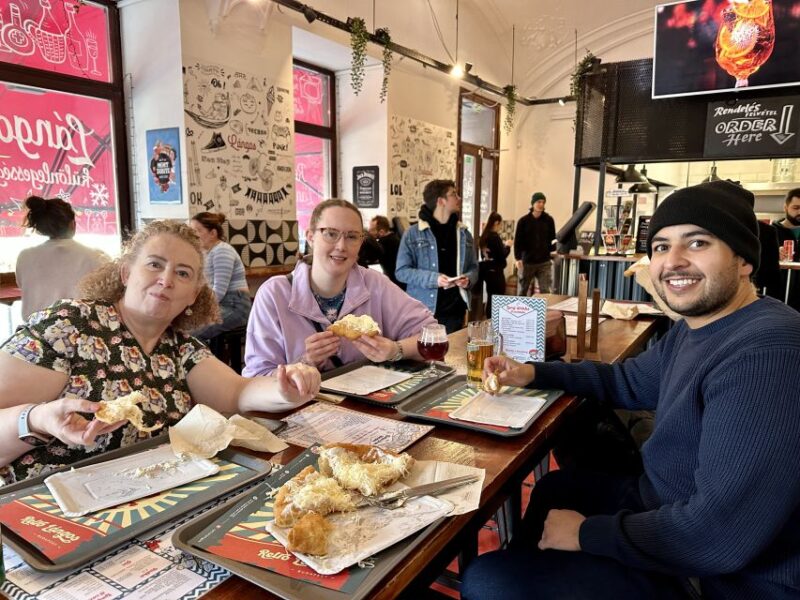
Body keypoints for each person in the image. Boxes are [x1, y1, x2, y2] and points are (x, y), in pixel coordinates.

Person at [462, 180, 800, 600]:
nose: (673, 261)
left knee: (487, 582)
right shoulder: (698, 328)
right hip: (663, 503)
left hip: (722, 579)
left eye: (696, 243)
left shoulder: (768, 349)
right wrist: (532, 373)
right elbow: (624, 381)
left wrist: (587, 535)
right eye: (660, 246)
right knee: (554, 489)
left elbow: (720, 535)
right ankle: (538, 565)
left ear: (744, 260)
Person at [0, 221, 319, 486]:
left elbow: (238, 393)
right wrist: (37, 419)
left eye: (182, 273)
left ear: (193, 294)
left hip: (145, 499)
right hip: (47, 505)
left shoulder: (180, 348)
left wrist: (285, 387)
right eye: (155, 264)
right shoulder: (69, 326)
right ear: (126, 273)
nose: (166, 280)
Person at [244, 199, 436, 376]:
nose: (341, 246)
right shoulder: (274, 294)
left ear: (361, 243)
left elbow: (433, 335)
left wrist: (395, 350)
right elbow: (257, 377)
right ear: (310, 237)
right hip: (302, 408)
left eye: (352, 237)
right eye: (330, 234)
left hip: (367, 404)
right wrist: (305, 362)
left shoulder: (375, 285)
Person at [395, 179, 479, 333]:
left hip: (455, 310)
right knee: (423, 356)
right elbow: (402, 272)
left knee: (450, 355)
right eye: (454, 194)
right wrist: (434, 279)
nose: (459, 198)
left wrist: (468, 280)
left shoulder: (464, 233)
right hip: (423, 310)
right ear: (441, 201)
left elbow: (474, 267)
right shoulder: (412, 234)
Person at [15, 195, 108, 319]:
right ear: (72, 224)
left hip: (35, 332)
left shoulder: (25, 257)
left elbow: (23, 285)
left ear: (42, 228)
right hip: (80, 333)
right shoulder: (96, 257)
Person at [188, 212, 252, 340]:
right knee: (183, 326)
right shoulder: (207, 252)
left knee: (190, 333)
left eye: (198, 231)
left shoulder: (222, 250)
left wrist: (198, 309)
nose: (193, 235)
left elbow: (219, 291)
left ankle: (204, 360)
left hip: (235, 306)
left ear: (213, 233)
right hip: (222, 304)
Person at [514, 192, 556, 295]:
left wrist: (553, 250)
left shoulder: (549, 220)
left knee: (545, 290)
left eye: (543, 202)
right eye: (538, 202)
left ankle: (545, 311)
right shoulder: (523, 221)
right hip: (527, 261)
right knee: (522, 290)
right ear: (533, 204)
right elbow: (517, 241)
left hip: (544, 261)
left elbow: (553, 238)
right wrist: (518, 258)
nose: (541, 204)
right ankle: (520, 309)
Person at [478, 212, 511, 318]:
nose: (500, 227)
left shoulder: (484, 236)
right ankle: (495, 321)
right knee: (498, 299)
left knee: (491, 297)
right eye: (500, 224)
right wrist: (508, 246)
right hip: (496, 272)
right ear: (496, 223)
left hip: (487, 272)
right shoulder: (494, 236)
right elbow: (501, 255)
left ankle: (489, 320)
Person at [772, 188, 800, 310]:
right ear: (785, 208)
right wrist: (772, 253)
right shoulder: (770, 232)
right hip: (777, 297)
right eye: (796, 208)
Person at [368, 215, 405, 290]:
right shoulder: (394, 237)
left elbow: (371, 258)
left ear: (381, 232)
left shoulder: (385, 243)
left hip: (395, 284)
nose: (369, 232)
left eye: (372, 230)